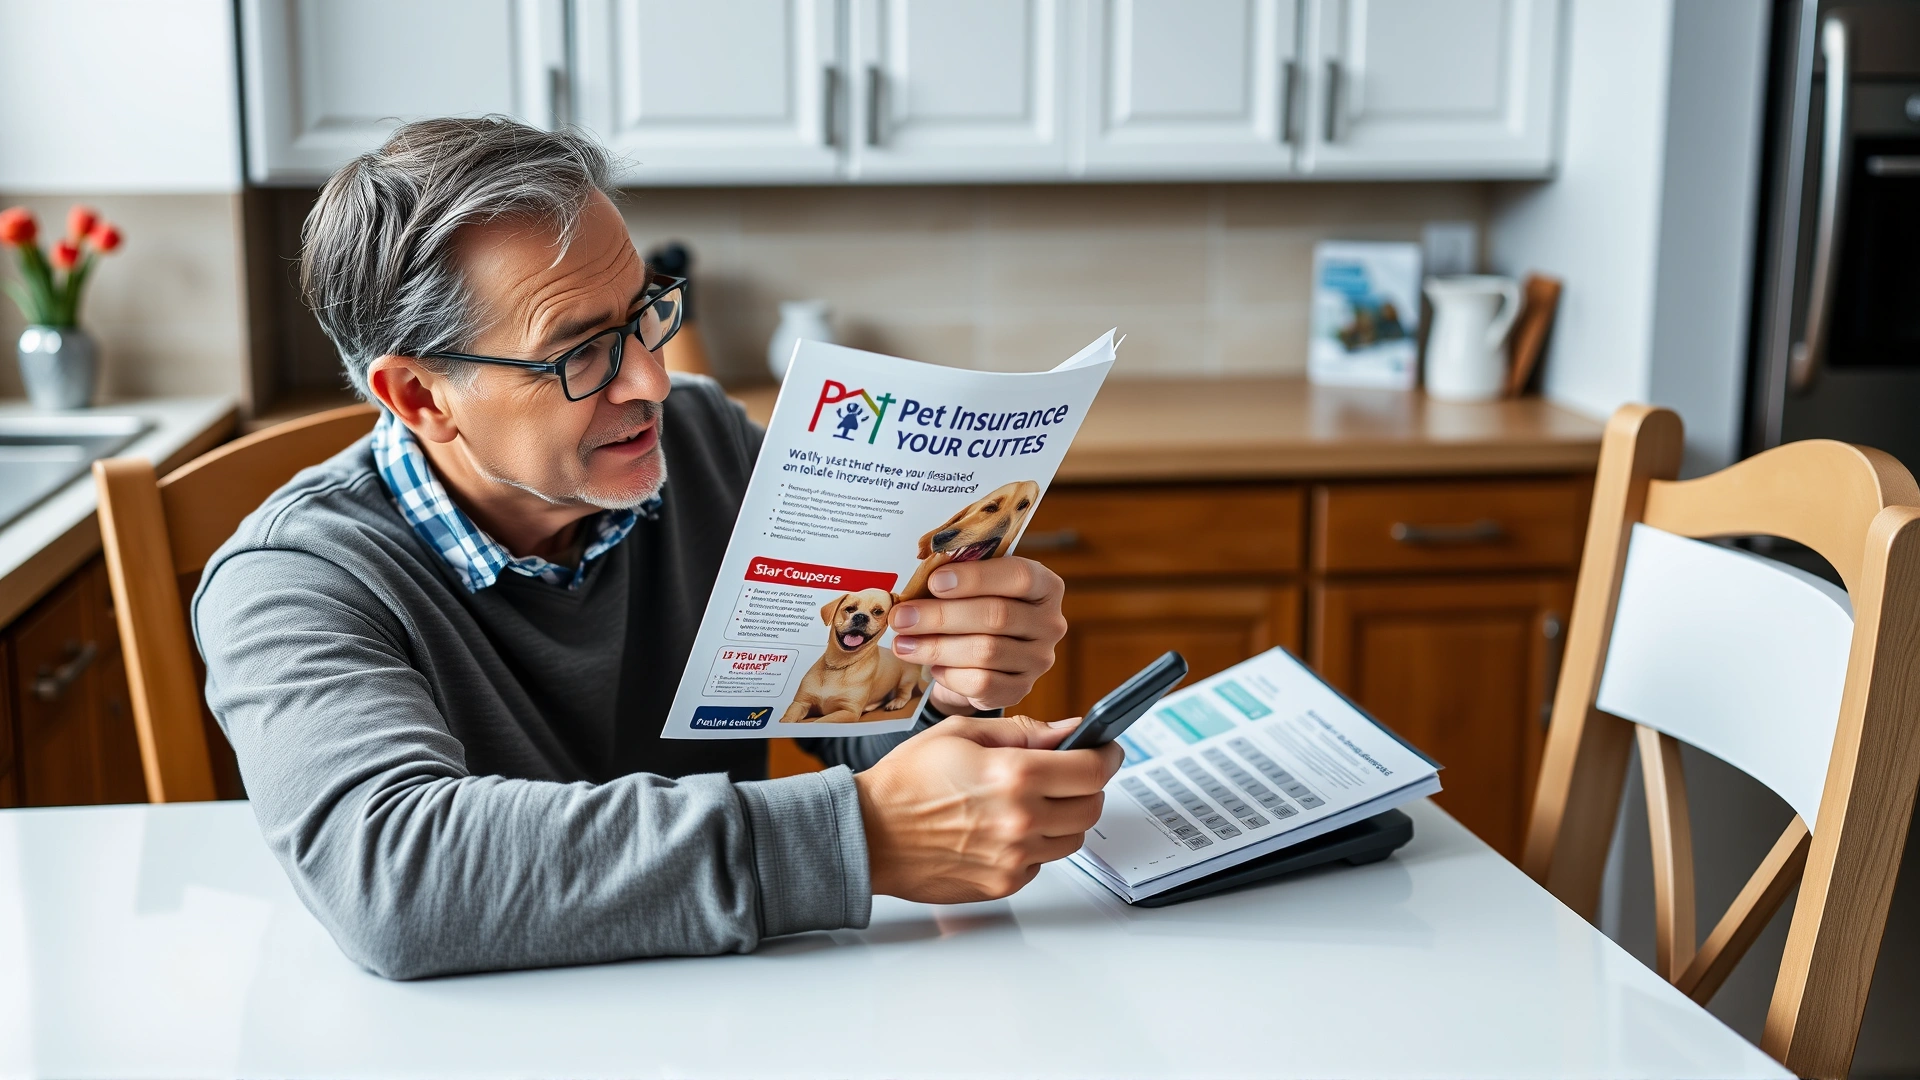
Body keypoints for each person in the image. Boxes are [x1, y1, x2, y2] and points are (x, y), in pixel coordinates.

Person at [192, 117, 1121, 980]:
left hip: (731, 1011)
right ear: (421, 397)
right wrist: (859, 839)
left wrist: (943, 679)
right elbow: (394, 879)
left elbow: (856, 728)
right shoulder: (291, 581)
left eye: (645, 313)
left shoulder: (705, 446)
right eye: (579, 353)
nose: (652, 380)